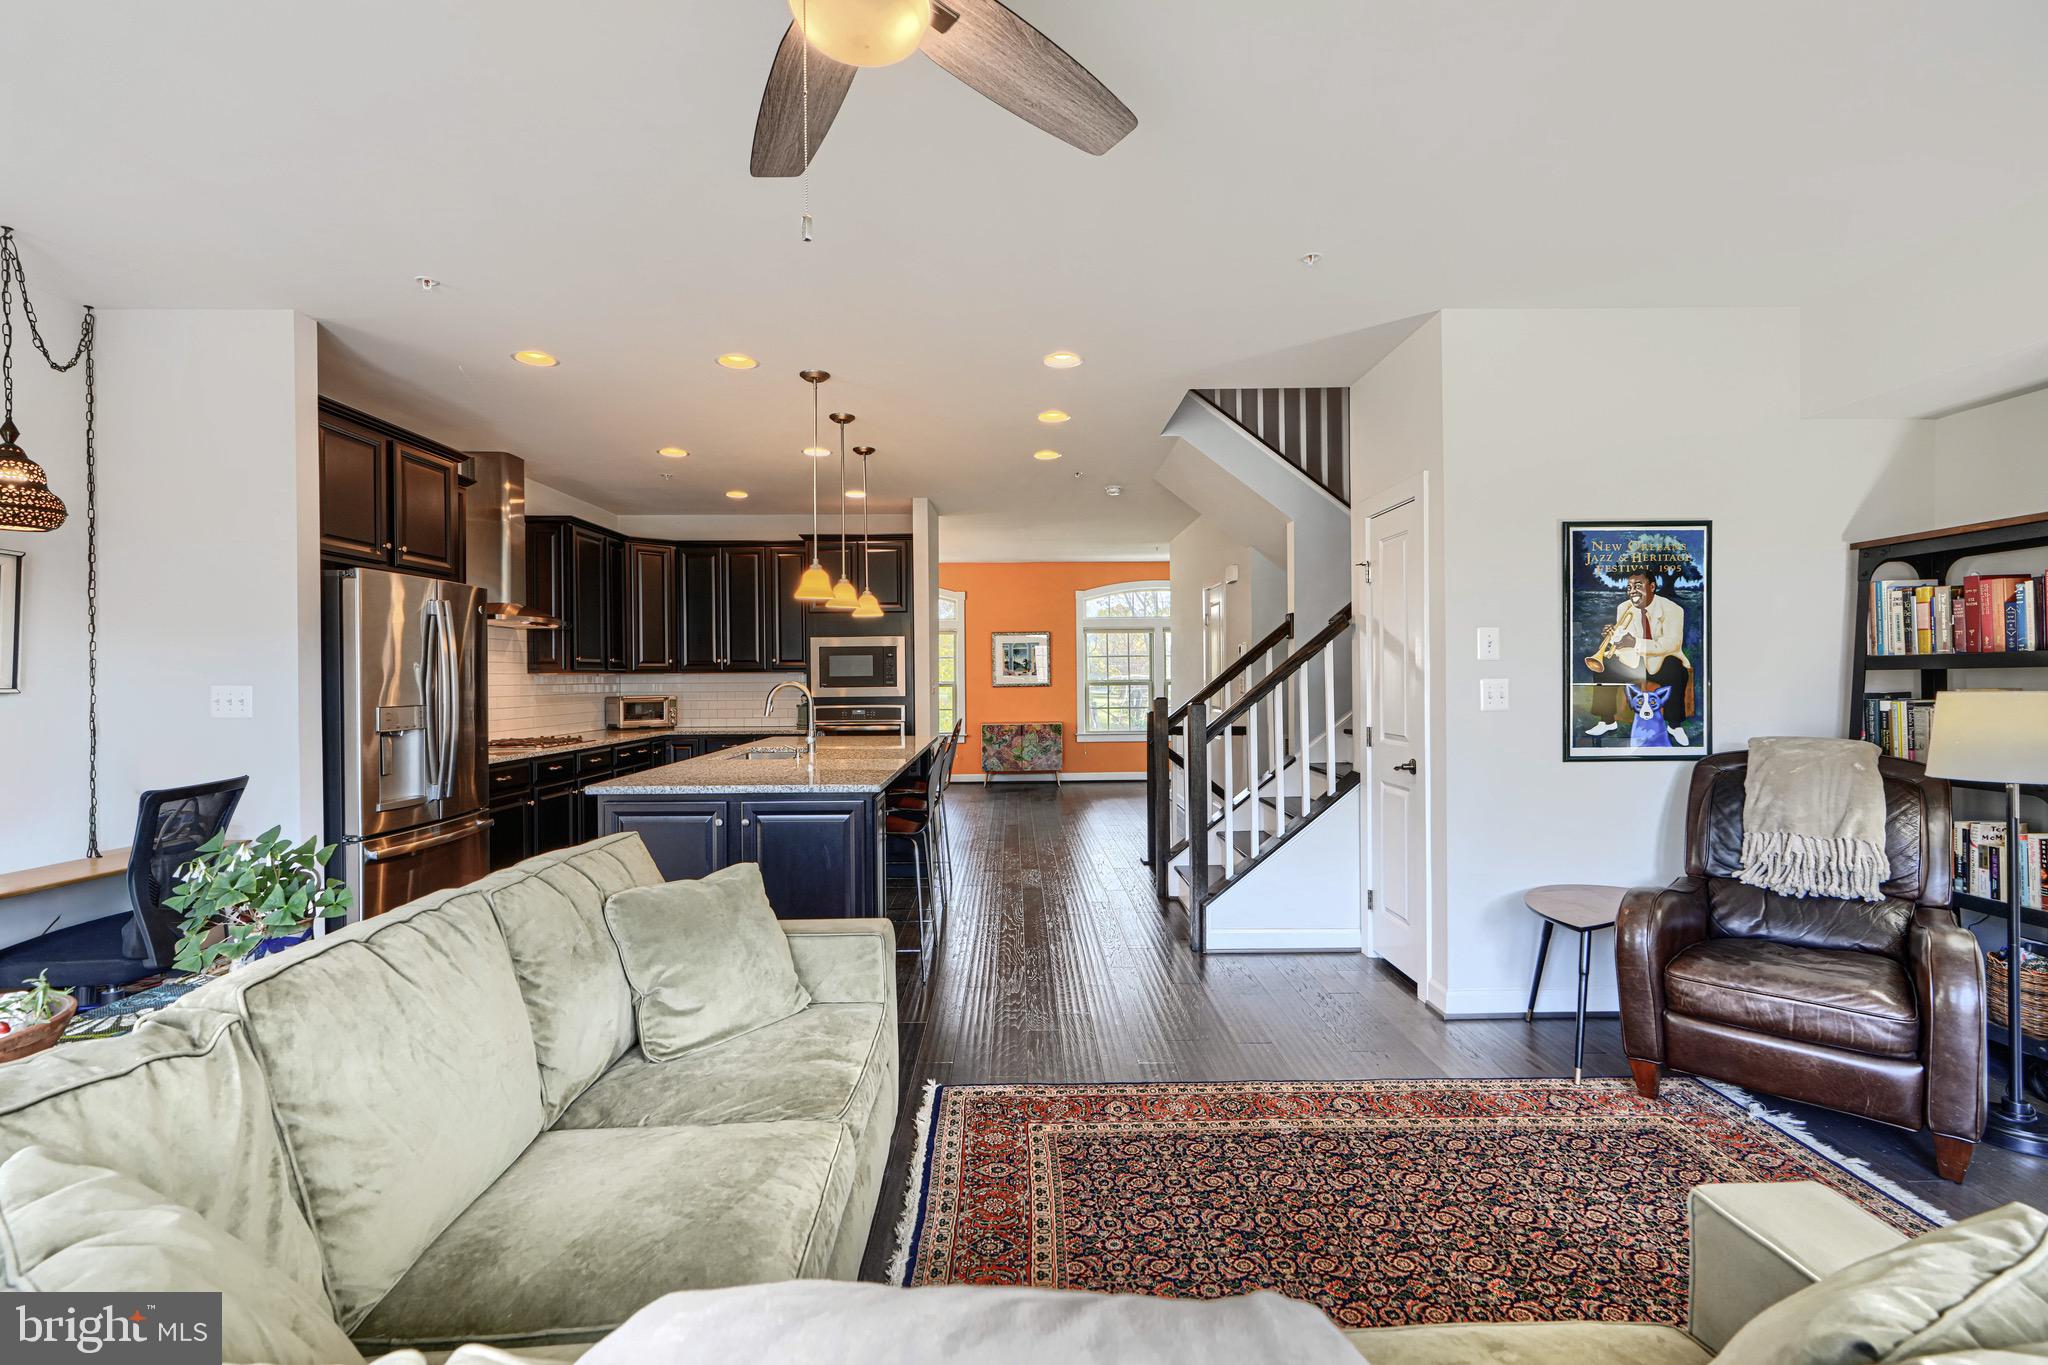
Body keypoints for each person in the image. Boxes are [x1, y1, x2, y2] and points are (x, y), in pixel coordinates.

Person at [1585, 570, 1693, 743]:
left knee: (1677, 671)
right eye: (1629, 587)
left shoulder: (1673, 609)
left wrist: (1634, 642)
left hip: (1662, 660)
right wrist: (1613, 637)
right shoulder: (1624, 607)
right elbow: (1624, 638)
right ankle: (1607, 721)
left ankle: (1674, 725)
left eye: (1638, 586)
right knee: (1604, 666)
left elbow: (1670, 644)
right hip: (1633, 661)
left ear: (1652, 587)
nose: (1632, 591)